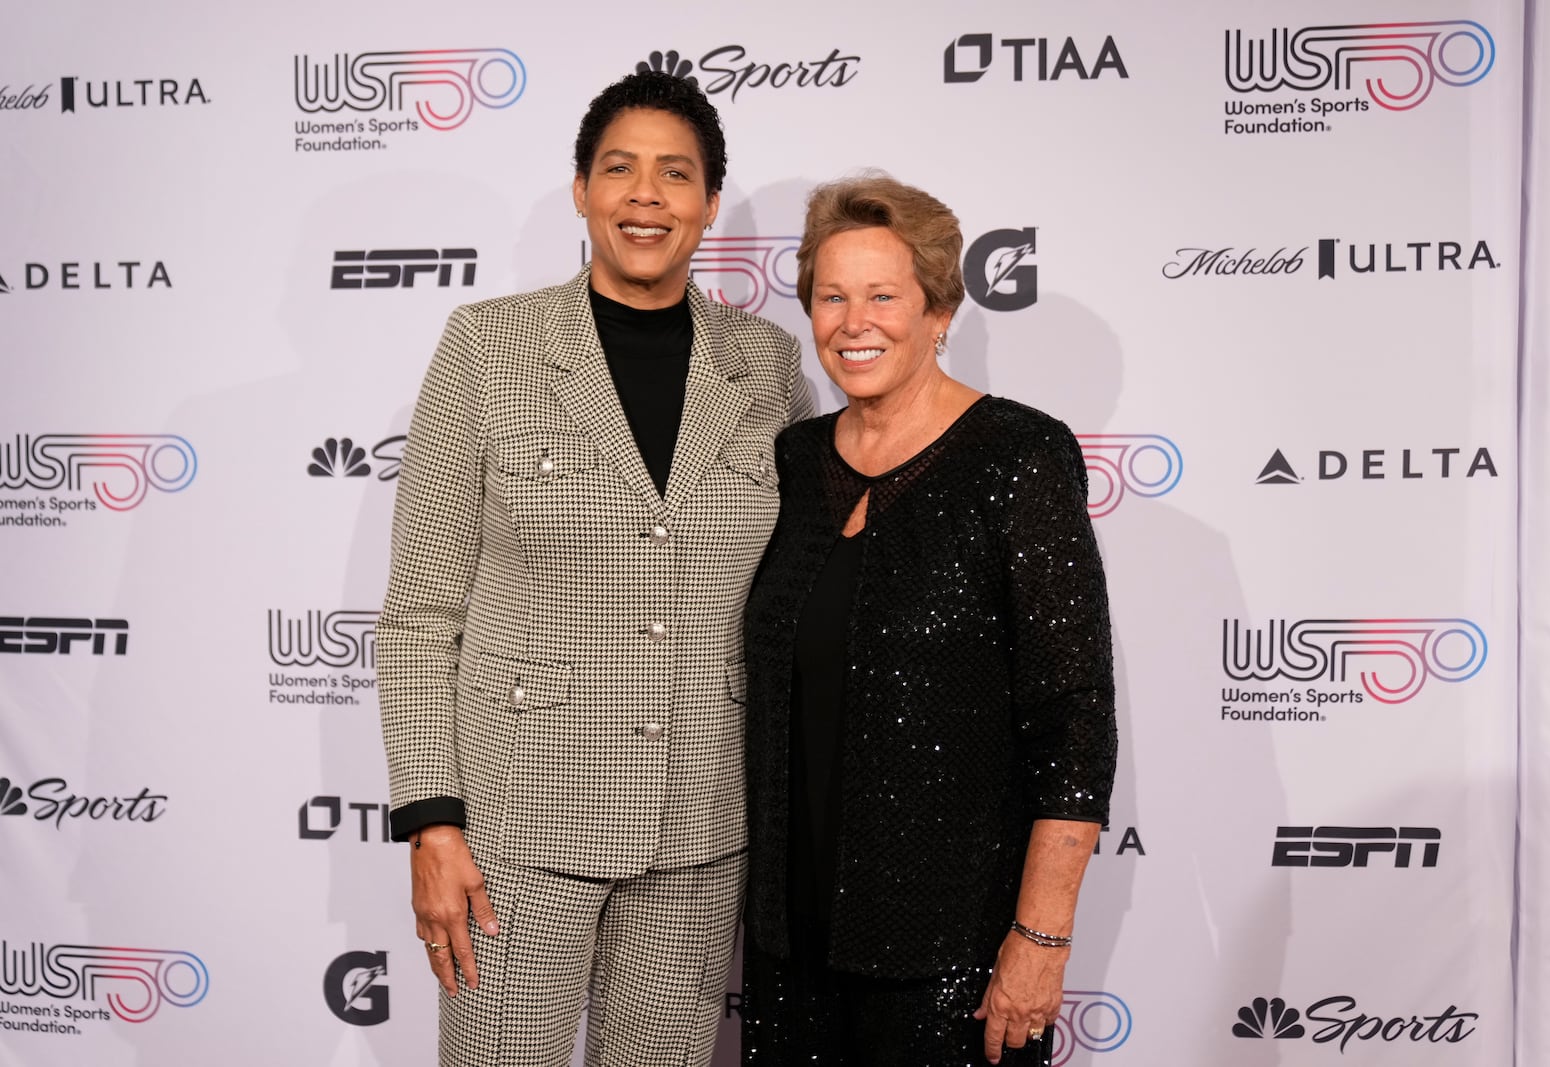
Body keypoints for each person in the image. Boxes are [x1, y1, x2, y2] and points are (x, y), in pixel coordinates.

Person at [376, 71, 813, 1067]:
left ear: (708, 202)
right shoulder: (488, 346)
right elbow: (418, 613)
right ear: (581, 189)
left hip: (701, 828)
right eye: (619, 169)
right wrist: (432, 820)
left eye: (675, 173)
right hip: (516, 824)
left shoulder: (769, 364)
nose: (646, 195)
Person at [741, 175, 1116, 1066]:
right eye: (831, 296)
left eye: (882, 295)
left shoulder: (1018, 455)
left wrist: (1041, 938)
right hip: (790, 950)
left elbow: (1075, 718)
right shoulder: (793, 462)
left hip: (954, 954)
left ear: (939, 309)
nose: (852, 320)